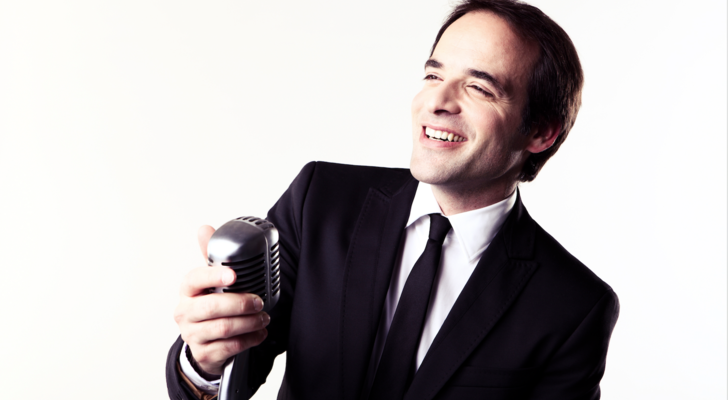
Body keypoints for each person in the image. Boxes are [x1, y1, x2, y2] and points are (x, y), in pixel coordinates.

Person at [166, 1, 619, 399]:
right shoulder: (319, 200)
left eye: (479, 88)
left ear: (541, 132)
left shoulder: (574, 306)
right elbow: (230, 372)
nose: (437, 101)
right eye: (433, 75)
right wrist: (205, 360)